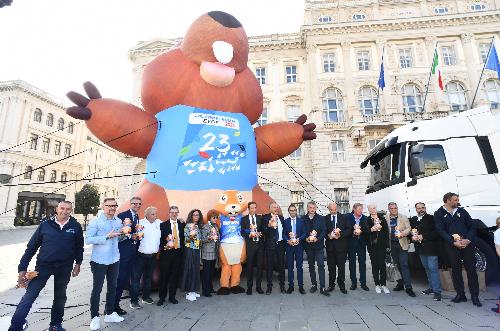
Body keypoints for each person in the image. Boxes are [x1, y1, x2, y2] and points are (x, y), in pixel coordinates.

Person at [9, 201, 83, 331]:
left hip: (64, 267)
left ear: (71, 210)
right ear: (56, 209)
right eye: (62, 208)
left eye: (68, 209)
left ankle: (55, 325)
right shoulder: (45, 225)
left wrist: (78, 263)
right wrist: (22, 268)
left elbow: (79, 247)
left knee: (60, 296)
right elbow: (31, 247)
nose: (64, 211)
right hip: (43, 266)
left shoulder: (75, 226)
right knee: (30, 295)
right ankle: (15, 326)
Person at [435, 192, 481, 307]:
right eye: (455, 200)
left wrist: (468, 240)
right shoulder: (439, 213)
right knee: (456, 270)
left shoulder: (462, 211)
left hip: (467, 245)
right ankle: (460, 295)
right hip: (452, 246)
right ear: (448, 200)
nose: (457, 202)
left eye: (457, 200)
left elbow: (472, 226)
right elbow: (440, 231)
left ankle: (475, 296)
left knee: (471, 270)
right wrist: (453, 242)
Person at [86, 198, 125, 330]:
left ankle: (109, 313)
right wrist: (107, 236)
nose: (112, 208)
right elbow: (88, 239)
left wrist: (124, 235)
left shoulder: (118, 221)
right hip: (99, 260)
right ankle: (94, 317)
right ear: (103, 206)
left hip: (114, 259)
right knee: (97, 289)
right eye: (109, 206)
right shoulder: (96, 221)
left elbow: (118, 238)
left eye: (114, 206)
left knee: (113, 287)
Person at [114, 196, 142, 315]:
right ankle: (113, 306)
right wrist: (130, 236)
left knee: (126, 279)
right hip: (124, 253)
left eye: (139, 204)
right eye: (134, 203)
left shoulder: (137, 217)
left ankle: (116, 305)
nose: (137, 205)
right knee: (120, 279)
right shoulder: (122, 215)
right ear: (130, 204)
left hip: (133, 252)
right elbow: (118, 233)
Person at [129, 206, 161, 309]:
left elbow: (170, 223)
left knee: (148, 278)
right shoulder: (140, 223)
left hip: (152, 256)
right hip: (140, 256)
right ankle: (134, 301)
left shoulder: (159, 223)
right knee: (136, 279)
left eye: (156, 213)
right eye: (153, 214)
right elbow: (132, 235)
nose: (155, 215)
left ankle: (146, 297)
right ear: (146, 215)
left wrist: (181, 220)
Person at [409, 202, 442, 301]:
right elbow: (410, 233)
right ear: (416, 210)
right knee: (427, 269)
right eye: (419, 208)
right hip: (420, 249)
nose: (421, 209)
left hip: (431, 249)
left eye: (422, 207)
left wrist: (423, 236)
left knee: (433, 269)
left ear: (425, 208)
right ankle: (432, 288)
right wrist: (412, 238)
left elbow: (437, 232)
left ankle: (437, 292)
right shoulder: (413, 220)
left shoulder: (431, 218)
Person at [386, 202, 415, 297]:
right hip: (392, 245)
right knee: (396, 265)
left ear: (397, 208)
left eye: (395, 208)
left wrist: (402, 234)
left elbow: (408, 228)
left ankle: (409, 287)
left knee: (404, 265)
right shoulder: (385, 218)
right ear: (389, 209)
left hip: (402, 244)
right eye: (391, 208)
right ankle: (400, 284)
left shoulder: (403, 217)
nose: (393, 210)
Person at [157, 206, 185, 306]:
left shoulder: (182, 224)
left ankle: (172, 297)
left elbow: (184, 238)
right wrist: (165, 246)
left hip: (178, 254)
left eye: (176, 212)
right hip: (166, 254)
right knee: (164, 277)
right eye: (172, 212)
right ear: (169, 213)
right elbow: (159, 240)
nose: (174, 214)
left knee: (175, 277)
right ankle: (161, 298)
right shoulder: (163, 225)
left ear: (178, 213)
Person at [303, 201, 329, 296]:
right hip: (309, 247)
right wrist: (306, 238)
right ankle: (314, 285)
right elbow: (302, 231)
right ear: (307, 208)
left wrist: (317, 238)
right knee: (311, 266)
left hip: (319, 246)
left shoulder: (321, 218)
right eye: (310, 207)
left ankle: (322, 287)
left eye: (314, 207)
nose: (312, 209)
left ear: (316, 208)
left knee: (321, 265)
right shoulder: (303, 218)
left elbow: (324, 231)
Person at [324, 202, 351, 294]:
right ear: (329, 209)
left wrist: (340, 234)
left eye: (335, 209)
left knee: (341, 267)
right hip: (330, 247)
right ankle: (331, 285)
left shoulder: (344, 217)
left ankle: (341, 284)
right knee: (331, 268)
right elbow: (323, 231)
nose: (333, 211)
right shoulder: (326, 218)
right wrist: (328, 236)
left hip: (341, 247)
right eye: (331, 210)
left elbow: (348, 230)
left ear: (337, 209)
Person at [365, 204, 390, 294]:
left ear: (376, 209)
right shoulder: (367, 220)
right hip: (372, 246)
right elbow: (365, 232)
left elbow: (387, 232)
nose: (373, 210)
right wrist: (372, 229)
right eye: (370, 208)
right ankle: (377, 285)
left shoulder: (382, 218)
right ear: (368, 210)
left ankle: (383, 284)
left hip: (382, 245)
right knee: (375, 265)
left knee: (382, 265)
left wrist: (387, 245)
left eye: (374, 208)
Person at [241, 202, 264, 295]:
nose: (253, 210)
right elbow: (242, 231)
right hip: (250, 246)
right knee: (249, 267)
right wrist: (249, 233)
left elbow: (263, 230)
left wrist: (260, 233)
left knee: (260, 267)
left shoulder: (260, 218)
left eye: (255, 208)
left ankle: (259, 287)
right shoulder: (244, 219)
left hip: (259, 245)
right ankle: (249, 288)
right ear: (248, 209)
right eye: (251, 208)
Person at [262, 202, 286, 294]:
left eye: (277, 207)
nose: (276, 209)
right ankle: (269, 287)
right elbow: (263, 231)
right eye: (274, 207)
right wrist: (268, 225)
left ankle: (282, 286)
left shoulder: (281, 218)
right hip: (270, 245)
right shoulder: (265, 218)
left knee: (281, 266)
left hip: (280, 245)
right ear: (270, 209)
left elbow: (284, 231)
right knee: (269, 266)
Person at [283, 204, 306, 294]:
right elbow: (284, 234)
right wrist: (287, 240)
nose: (293, 212)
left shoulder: (301, 221)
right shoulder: (286, 221)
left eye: (294, 210)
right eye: (291, 210)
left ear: (296, 211)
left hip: (299, 247)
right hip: (289, 247)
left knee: (299, 267)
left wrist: (298, 239)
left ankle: (301, 286)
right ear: (289, 212)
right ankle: (291, 286)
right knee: (290, 267)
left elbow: (304, 233)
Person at [182, 209, 202, 301]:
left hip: (197, 250)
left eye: (198, 215)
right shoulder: (188, 226)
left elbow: (199, 239)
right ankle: (189, 292)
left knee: (195, 270)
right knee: (190, 270)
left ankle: (193, 291)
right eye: (194, 215)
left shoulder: (197, 226)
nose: (196, 217)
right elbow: (187, 241)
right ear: (191, 216)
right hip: (190, 250)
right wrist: (191, 236)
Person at [347, 203, 369, 291]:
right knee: (352, 264)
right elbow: (347, 228)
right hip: (351, 244)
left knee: (362, 264)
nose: (360, 211)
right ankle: (353, 283)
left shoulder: (365, 218)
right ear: (354, 209)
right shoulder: (348, 217)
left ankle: (363, 283)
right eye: (359, 209)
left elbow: (367, 230)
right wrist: (353, 232)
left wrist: (361, 231)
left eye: (361, 209)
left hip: (361, 244)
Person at [200, 209, 220, 297]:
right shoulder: (205, 227)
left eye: (216, 217)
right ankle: (205, 291)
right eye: (214, 217)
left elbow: (218, 238)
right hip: (207, 253)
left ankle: (210, 288)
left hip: (214, 252)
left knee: (211, 273)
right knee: (206, 273)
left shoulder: (216, 226)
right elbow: (202, 240)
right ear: (209, 218)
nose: (215, 219)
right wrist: (210, 238)